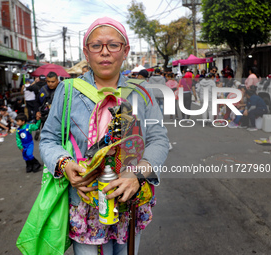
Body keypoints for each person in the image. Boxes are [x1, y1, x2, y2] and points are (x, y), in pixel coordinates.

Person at [39, 17, 169, 255]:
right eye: (97, 46)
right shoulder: (67, 92)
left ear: (125, 51)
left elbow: (159, 139)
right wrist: (64, 163)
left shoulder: (143, 93)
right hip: (85, 202)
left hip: (128, 200)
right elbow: (48, 138)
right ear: (86, 53)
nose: (105, 52)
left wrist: (137, 173)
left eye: (113, 45)